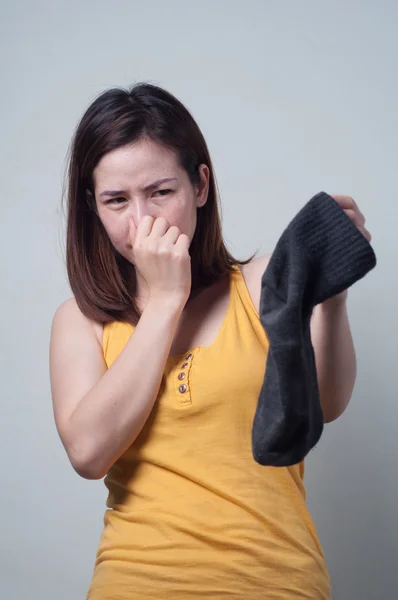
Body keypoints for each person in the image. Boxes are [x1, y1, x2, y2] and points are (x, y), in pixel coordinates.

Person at [50, 82, 369, 599]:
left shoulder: (263, 283)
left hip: (277, 582)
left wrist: (331, 296)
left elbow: (327, 404)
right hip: (134, 584)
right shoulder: (80, 320)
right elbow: (88, 453)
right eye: (116, 201)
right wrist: (164, 301)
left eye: (160, 192)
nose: (143, 221)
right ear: (94, 208)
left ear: (200, 186)